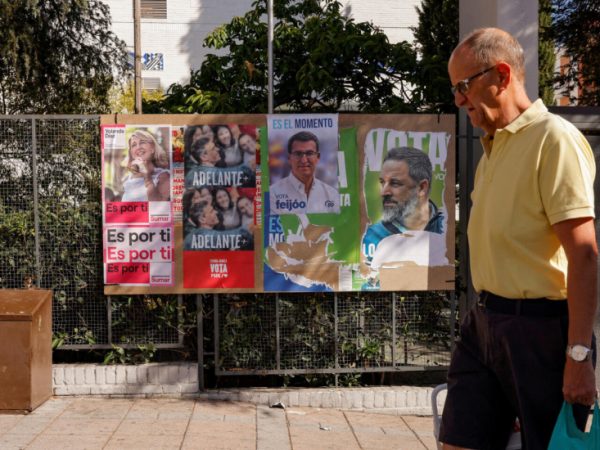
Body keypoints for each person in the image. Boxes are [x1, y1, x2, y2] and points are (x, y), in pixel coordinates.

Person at [440, 28, 597, 450]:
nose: (458, 100)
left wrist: (579, 357)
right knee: (458, 441)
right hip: (484, 322)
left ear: (502, 75)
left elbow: (584, 255)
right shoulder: (491, 149)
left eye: (463, 85)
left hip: (540, 331)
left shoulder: (554, 139)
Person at [269, 130, 339, 214]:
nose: (304, 160)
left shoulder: (332, 195)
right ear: (289, 158)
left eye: (309, 153)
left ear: (318, 157)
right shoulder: (272, 194)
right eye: (298, 154)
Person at [121, 129, 170, 202]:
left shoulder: (163, 176)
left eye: (142, 142)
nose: (138, 147)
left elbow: (157, 207)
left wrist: (147, 177)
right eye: (134, 145)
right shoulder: (128, 178)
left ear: (152, 148)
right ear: (131, 153)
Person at [184, 201, 253, 251]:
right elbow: (241, 233)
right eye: (211, 211)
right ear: (202, 219)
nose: (216, 212)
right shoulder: (205, 235)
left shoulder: (189, 237)